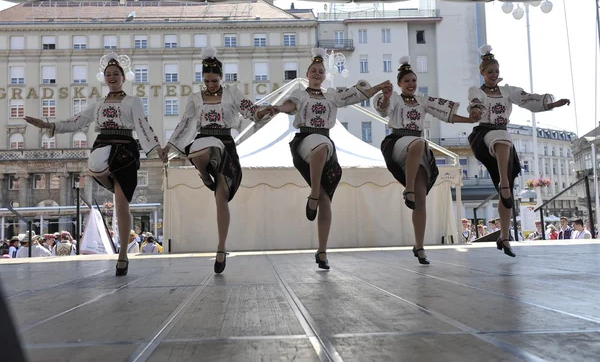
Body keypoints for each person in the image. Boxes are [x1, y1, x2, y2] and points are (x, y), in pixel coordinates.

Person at [24, 52, 164, 275]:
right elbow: (76, 121)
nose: (111, 77)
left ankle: (122, 256)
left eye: (115, 74)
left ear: (123, 77)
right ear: (104, 78)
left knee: (121, 206)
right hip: (103, 144)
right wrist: (48, 125)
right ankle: (112, 184)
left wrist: (157, 149)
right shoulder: (97, 104)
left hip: (126, 149)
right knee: (94, 165)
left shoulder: (132, 101)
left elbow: (142, 125)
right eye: (108, 74)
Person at [270, 47, 392, 270]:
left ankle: (322, 251)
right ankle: (314, 193)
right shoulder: (300, 93)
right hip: (305, 140)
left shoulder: (332, 95)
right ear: (307, 75)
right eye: (313, 70)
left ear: (324, 75)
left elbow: (356, 95)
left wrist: (379, 87)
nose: (317, 74)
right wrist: (278, 107)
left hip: (325, 144)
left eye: (320, 71)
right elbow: (290, 105)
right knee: (321, 145)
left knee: (327, 200)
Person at [162, 46, 272, 274]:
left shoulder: (232, 93)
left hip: (226, 144)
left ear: (221, 77)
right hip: (204, 140)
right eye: (207, 80)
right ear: (203, 78)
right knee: (200, 149)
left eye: (214, 80)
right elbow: (184, 123)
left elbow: (249, 110)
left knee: (221, 198)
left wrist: (263, 112)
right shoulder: (195, 98)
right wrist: (169, 147)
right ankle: (204, 174)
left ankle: (221, 248)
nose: (211, 84)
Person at [467, 45, 570, 257]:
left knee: (507, 191)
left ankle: (504, 236)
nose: (494, 75)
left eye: (496, 71)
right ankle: (504, 183)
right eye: (490, 72)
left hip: (502, 136)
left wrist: (551, 104)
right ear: (482, 73)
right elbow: (474, 103)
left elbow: (527, 99)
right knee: (503, 140)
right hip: (484, 134)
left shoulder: (507, 91)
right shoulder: (476, 91)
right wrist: (476, 110)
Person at [375, 56, 474, 264]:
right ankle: (408, 189)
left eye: (414, 80)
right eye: (407, 81)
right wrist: (384, 96)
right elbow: (383, 108)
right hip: (398, 142)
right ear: (400, 84)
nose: (411, 84)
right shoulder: (394, 98)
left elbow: (446, 114)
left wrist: (470, 120)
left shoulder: (422, 100)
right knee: (419, 143)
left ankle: (419, 247)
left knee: (421, 200)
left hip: (416, 153)